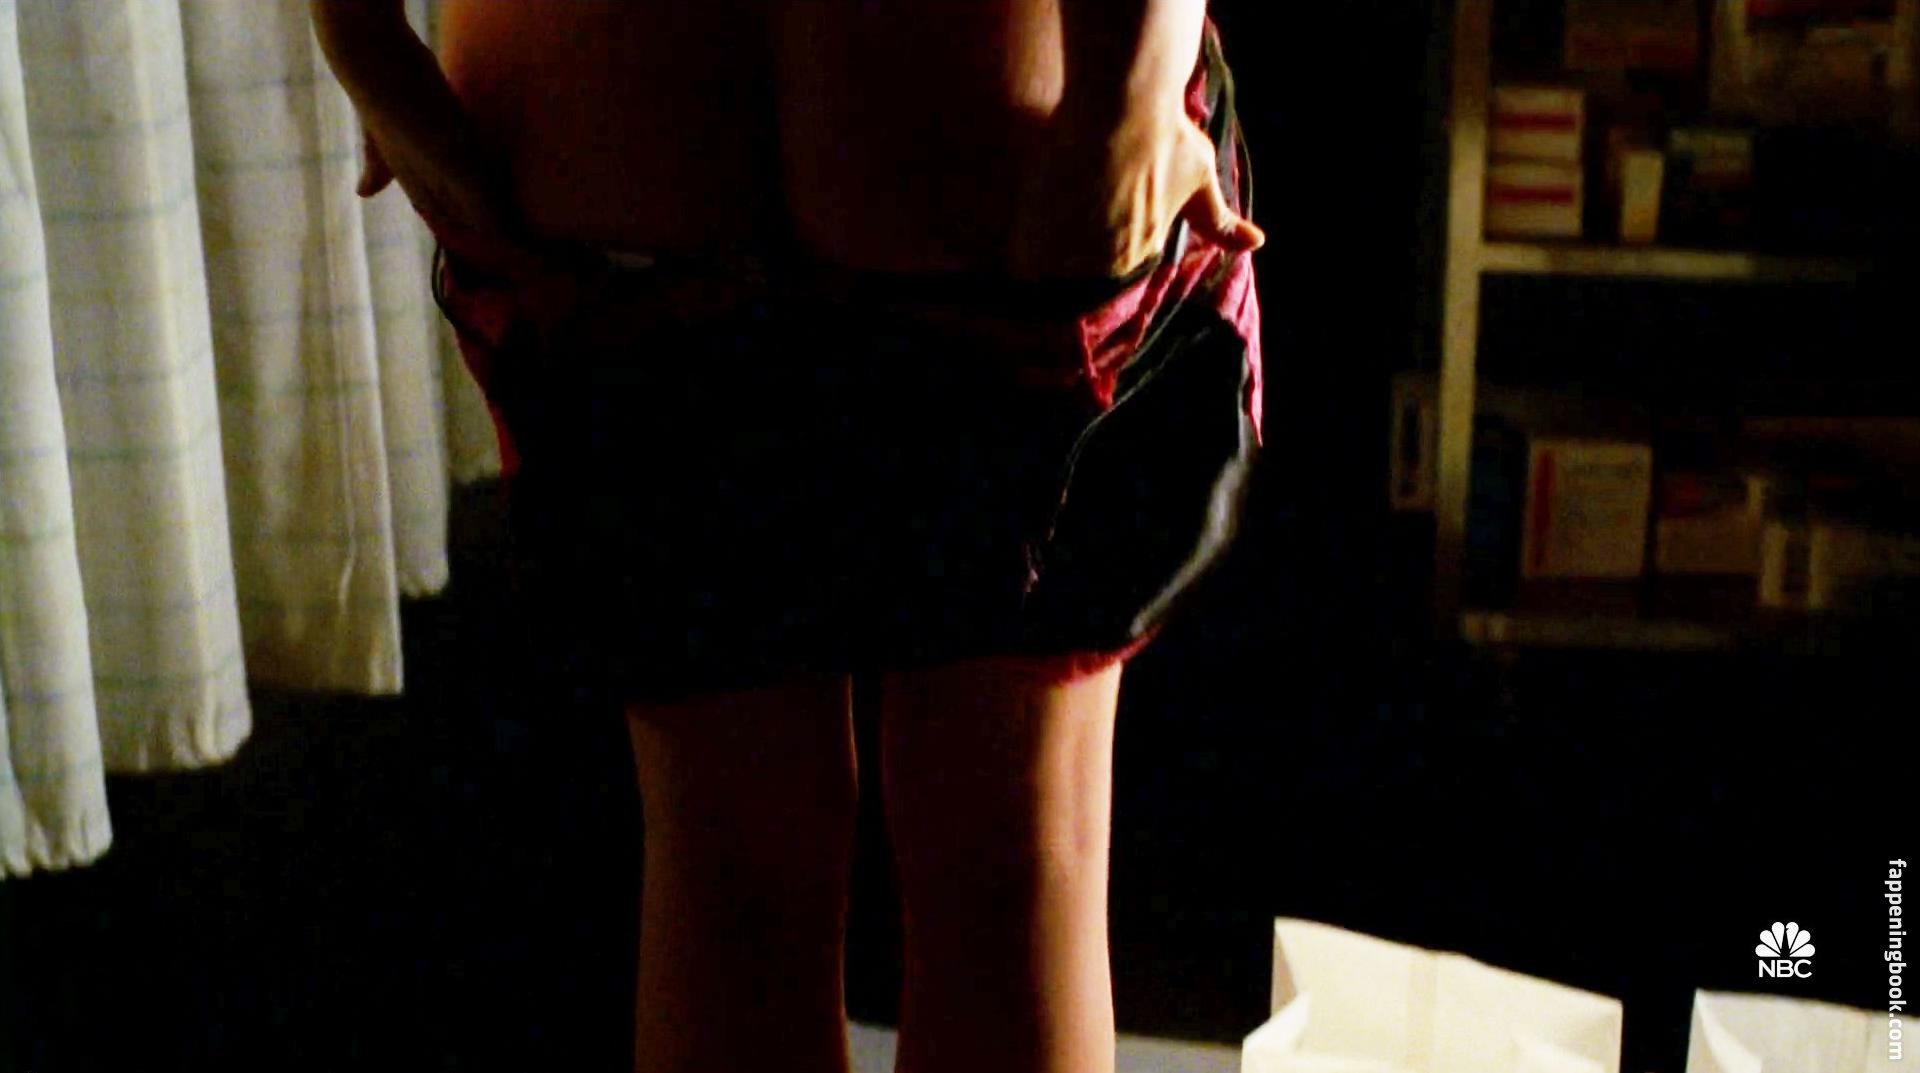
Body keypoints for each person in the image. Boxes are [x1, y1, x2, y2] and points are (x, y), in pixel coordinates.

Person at [309, 3, 1265, 1072]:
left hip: (610, 161)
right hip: (986, 148)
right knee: (1007, 859)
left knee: (735, 871)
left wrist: (361, 45)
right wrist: (1127, 95)